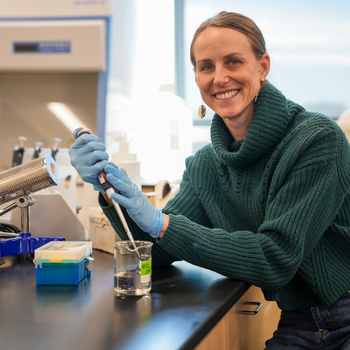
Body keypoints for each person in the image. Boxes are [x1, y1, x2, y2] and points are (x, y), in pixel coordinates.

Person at [69, 11, 350, 349]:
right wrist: (110, 191)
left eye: (233, 62)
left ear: (262, 67)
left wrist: (162, 222)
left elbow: (275, 259)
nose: (219, 78)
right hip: (301, 321)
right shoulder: (206, 165)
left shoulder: (316, 140)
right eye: (206, 66)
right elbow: (153, 254)